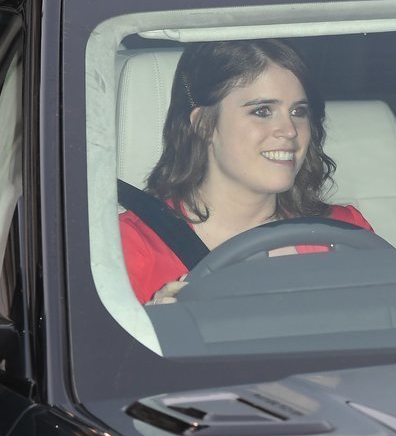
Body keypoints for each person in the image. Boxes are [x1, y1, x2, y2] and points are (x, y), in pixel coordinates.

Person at [119, 39, 372, 304]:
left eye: (298, 111)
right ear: (204, 125)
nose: (290, 130)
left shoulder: (344, 232)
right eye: (262, 111)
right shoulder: (135, 246)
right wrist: (151, 328)